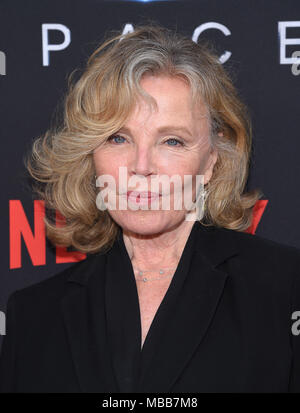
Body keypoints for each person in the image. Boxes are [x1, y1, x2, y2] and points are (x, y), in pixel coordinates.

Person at [0, 23, 300, 393]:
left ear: (211, 161)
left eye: (172, 140)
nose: (141, 166)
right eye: (118, 137)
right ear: (91, 154)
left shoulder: (285, 289)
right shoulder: (33, 315)